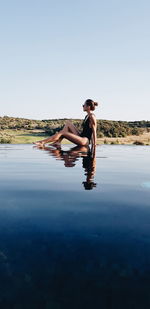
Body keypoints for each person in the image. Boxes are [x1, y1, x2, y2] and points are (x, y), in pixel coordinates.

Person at [34, 99, 98, 149]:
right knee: (68, 123)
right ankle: (58, 142)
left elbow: (94, 131)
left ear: (88, 107)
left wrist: (94, 145)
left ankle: (42, 142)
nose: (83, 106)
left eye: (84, 105)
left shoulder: (92, 117)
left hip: (84, 140)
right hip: (82, 137)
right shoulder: (87, 116)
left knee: (63, 133)